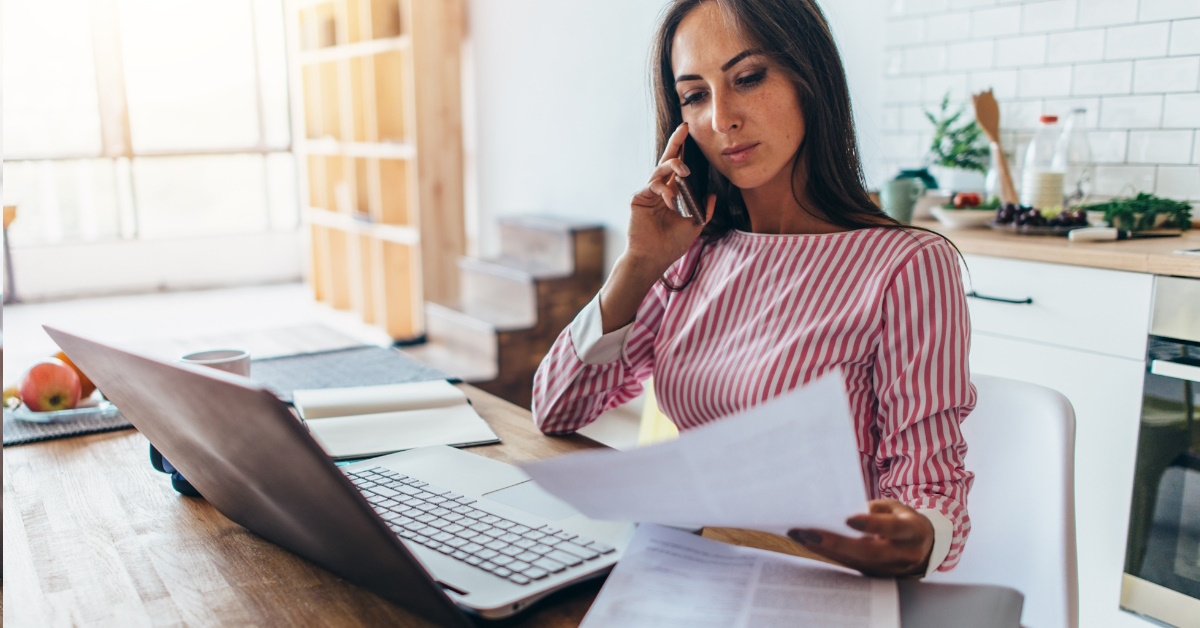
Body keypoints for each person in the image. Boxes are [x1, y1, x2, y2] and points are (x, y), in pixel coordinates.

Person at [531, 0, 975, 578]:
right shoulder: (694, 252)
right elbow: (558, 408)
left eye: (747, 78)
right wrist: (639, 265)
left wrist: (914, 538)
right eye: (694, 95)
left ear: (808, 78)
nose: (720, 118)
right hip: (692, 571)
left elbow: (931, 494)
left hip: (818, 583)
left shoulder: (907, 265)